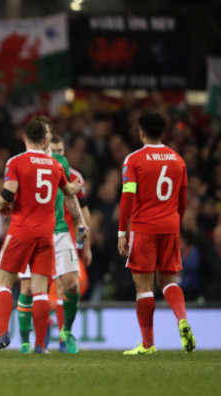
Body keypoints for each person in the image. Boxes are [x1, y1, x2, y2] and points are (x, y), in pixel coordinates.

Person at [0, 120, 81, 354]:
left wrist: (2, 205)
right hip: (46, 233)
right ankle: (40, 345)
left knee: (4, 280)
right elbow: (68, 191)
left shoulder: (16, 162)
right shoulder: (55, 164)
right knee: (40, 290)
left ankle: (2, 333)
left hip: (21, 230)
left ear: (24, 137)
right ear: (46, 140)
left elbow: (8, 192)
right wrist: (76, 189)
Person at [118, 112, 195, 355]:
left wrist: (122, 232)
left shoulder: (134, 160)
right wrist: (174, 223)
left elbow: (128, 196)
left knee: (144, 288)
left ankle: (148, 344)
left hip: (144, 229)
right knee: (168, 282)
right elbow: (182, 200)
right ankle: (181, 318)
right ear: (162, 132)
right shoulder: (177, 159)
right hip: (170, 227)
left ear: (141, 132)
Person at [49, 135, 92, 353]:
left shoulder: (75, 177)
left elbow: (83, 212)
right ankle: (46, 335)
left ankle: (62, 330)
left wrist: (88, 245)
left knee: (73, 285)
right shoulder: (41, 171)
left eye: (61, 150)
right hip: (40, 235)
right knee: (38, 288)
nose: (58, 154)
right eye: (53, 149)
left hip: (65, 238)